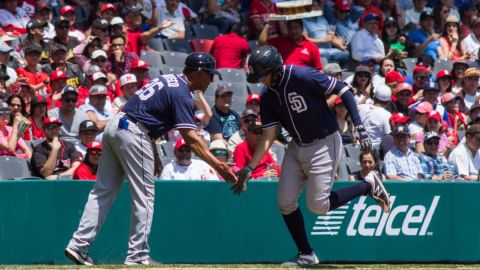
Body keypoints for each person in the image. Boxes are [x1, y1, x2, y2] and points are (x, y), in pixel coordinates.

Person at [65, 52, 237, 266]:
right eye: (210, 74)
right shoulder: (182, 93)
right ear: (199, 71)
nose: (212, 79)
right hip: (134, 132)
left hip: (116, 125)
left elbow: (146, 113)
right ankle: (137, 256)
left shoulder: (167, 79)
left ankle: (78, 245)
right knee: (144, 197)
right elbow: (191, 139)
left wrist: (154, 153)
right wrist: (219, 165)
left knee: (102, 191)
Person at [233, 46, 390, 266]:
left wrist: (360, 127)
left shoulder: (302, 75)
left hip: (324, 143)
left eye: (263, 75)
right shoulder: (268, 95)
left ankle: (367, 186)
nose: (261, 81)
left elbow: (343, 89)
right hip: (296, 147)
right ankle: (306, 253)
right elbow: (269, 135)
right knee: (284, 203)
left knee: (318, 206)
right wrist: (250, 167)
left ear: (275, 69)